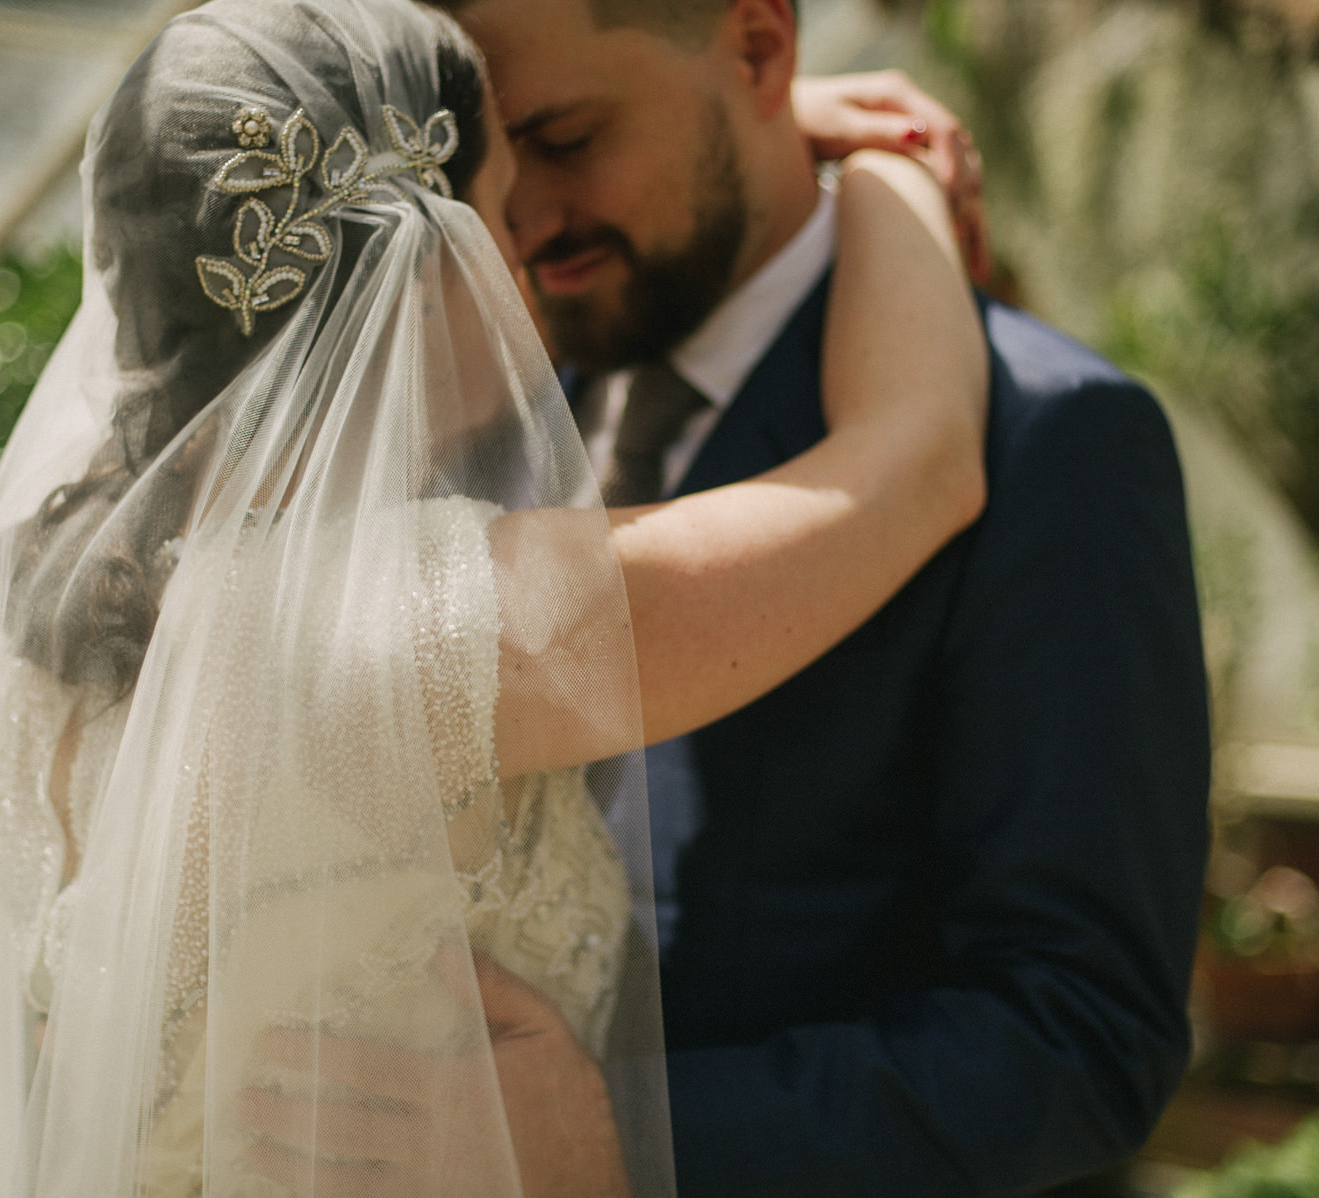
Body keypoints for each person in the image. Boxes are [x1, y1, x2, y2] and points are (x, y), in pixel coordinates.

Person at [0, 1, 988, 1195]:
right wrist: (887, 167)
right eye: (499, 207)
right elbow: (915, 464)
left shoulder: (69, 614)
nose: (529, 244)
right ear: (424, 272)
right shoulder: (401, 631)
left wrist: (768, 119)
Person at [405, 0, 1213, 1193]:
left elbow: (1083, 1034)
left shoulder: (1055, 438)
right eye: (484, 161)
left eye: (568, 138)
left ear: (760, 47)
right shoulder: (467, 410)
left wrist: (622, 1137)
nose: (519, 219)